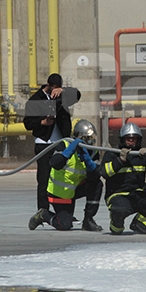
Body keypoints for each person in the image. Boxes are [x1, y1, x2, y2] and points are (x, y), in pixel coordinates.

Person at [28, 119, 103, 231]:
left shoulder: (93, 152)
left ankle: (88, 219)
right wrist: (68, 152)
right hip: (60, 191)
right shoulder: (65, 144)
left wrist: (88, 161)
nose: (91, 141)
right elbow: (54, 163)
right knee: (64, 225)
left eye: (92, 138)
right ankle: (43, 214)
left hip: (75, 188)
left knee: (97, 184)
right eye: (88, 138)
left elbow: (96, 175)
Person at [23, 73, 81, 211]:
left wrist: (63, 91)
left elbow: (78, 95)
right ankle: (43, 211)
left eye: (58, 88)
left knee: (64, 178)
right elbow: (28, 123)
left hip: (61, 142)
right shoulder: (35, 100)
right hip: (43, 143)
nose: (55, 92)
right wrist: (42, 122)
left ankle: (64, 211)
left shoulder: (63, 97)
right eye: (54, 88)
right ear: (48, 86)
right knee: (44, 179)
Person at [99, 122, 146, 235]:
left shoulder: (140, 154)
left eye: (134, 139)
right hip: (118, 194)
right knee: (120, 209)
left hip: (139, 193)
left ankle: (140, 223)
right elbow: (104, 173)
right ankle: (116, 225)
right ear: (122, 139)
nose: (131, 141)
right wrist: (120, 161)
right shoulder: (112, 154)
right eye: (128, 139)